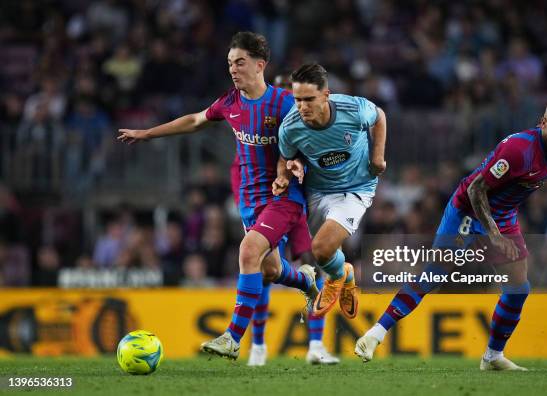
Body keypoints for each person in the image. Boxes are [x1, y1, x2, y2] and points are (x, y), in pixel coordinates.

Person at [118, 32, 318, 360]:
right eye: (229, 64)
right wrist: (148, 133)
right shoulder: (230, 103)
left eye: (239, 62)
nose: (233, 69)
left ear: (260, 65)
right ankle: (307, 282)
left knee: (248, 250)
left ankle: (233, 337)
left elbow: (308, 141)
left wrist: (296, 165)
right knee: (269, 270)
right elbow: (196, 120)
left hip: (283, 197)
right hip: (250, 200)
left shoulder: (284, 103)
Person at [355, 98, 547, 371]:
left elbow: (540, 166)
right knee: (435, 274)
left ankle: (493, 356)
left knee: (519, 289)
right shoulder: (519, 150)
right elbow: (475, 190)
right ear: (543, 123)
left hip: (502, 217)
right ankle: (375, 334)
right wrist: (494, 234)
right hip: (468, 211)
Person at [273, 63, 387, 319]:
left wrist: (377, 157)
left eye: (309, 99)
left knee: (322, 249)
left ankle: (335, 277)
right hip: (317, 191)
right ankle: (344, 274)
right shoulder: (290, 127)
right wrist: (283, 176)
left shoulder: (353, 109)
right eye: (298, 99)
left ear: (326, 95)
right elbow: (285, 157)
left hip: (356, 188)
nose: (302, 106)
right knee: (322, 254)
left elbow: (379, 116)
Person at [244, 71, 339, 366]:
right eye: (290, 97)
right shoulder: (266, 125)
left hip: (302, 203)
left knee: (315, 264)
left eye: (298, 98)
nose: (296, 104)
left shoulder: (308, 124)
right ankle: (258, 346)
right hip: (272, 203)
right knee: (264, 268)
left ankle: (315, 345)